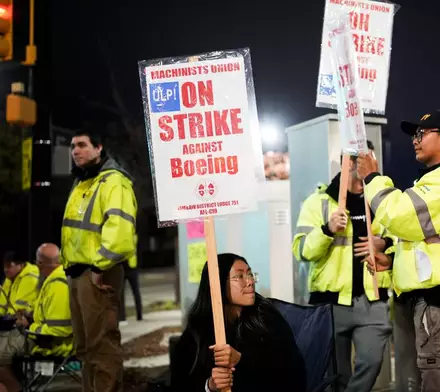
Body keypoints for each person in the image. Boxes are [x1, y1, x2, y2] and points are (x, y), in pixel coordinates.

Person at [357, 110, 440, 392]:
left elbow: (401, 215)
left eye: (422, 133)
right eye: (414, 135)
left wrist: (372, 179)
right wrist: (393, 260)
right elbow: (424, 240)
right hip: (439, 301)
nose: (414, 140)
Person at [292, 141, 395, 392]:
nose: (360, 164)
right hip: (330, 304)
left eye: (365, 158)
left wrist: (386, 243)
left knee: (371, 361)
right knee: (336, 375)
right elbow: (302, 251)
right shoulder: (319, 202)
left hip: (373, 300)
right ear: (343, 163)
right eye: (354, 159)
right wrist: (327, 230)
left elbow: (404, 242)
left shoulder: (384, 199)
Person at [61, 129, 137, 392]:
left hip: (97, 274)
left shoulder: (113, 182)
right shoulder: (83, 181)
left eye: (82, 145)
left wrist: (98, 267)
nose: (75, 151)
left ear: (99, 148)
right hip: (79, 275)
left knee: (101, 347)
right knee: (85, 349)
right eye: (73, 147)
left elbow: (120, 232)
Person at [170, 253, 306, 392]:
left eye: (250, 274)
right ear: (218, 283)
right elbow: (180, 383)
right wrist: (209, 386)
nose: (250, 281)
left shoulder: (266, 318)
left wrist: (242, 360)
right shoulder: (198, 330)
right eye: (240, 276)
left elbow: (291, 371)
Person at [0, 244, 73, 392]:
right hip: (44, 337)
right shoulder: (56, 279)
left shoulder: (57, 285)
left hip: (51, 343)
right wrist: (31, 316)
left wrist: (28, 326)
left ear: (41, 263)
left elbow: (59, 329)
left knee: (1, 354)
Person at [0, 251, 39, 318]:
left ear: (20, 265)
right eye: (4, 266)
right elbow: (2, 305)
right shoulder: (9, 279)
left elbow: (20, 307)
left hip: (27, 321)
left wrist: (6, 319)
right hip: (11, 319)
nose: (5, 269)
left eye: (9, 266)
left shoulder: (30, 279)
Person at [119, 234, 143, 323]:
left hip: (124, 267)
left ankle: (122, 317)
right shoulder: (134, 237)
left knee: (122, 293)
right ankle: (139, 316)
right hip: (132, 267)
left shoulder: (121, 237)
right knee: (135, 292)